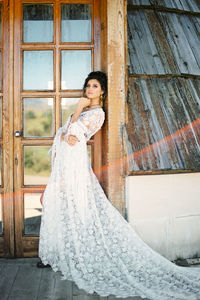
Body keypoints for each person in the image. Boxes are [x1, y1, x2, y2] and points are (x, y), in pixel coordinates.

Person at [37, 71, 200, 300]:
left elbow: (73, 133)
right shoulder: (84, 111)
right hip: (64, 164)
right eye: (87, 86)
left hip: (75, 167)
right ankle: (54, 255)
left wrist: (75, 113)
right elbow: (64, 135)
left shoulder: (97, 114)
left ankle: (79, 254)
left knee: (77, 207)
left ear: (102, 90)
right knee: (55, 201)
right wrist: (69, 128)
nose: (89, 90)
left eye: (94, 86)